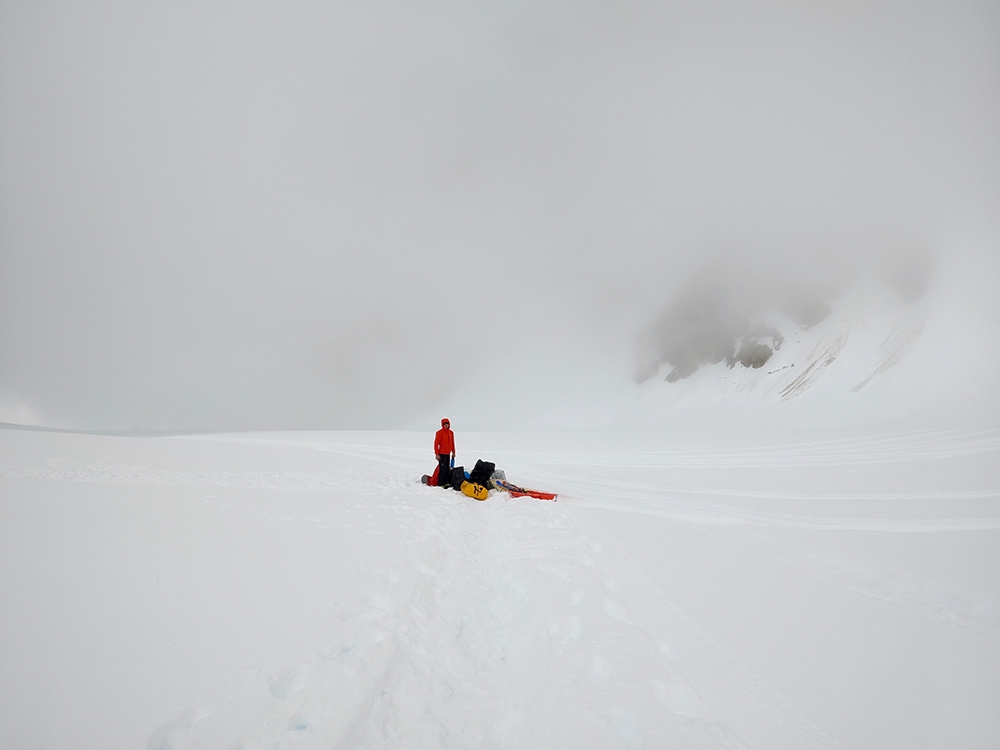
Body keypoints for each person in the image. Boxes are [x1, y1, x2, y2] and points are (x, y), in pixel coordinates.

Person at [433, 418, 456, 487]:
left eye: (447, 424)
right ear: (442, 425)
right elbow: (436, 443)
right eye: (444, 424)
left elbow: (452, 443)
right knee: (442, 470)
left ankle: (446, 482)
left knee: (447, 469)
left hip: (448, 453)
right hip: (442, 454)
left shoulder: (451, 433)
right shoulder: (439, 433)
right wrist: (437, 453)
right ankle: (441, 483)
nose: (446, 425)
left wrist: (453, 452)